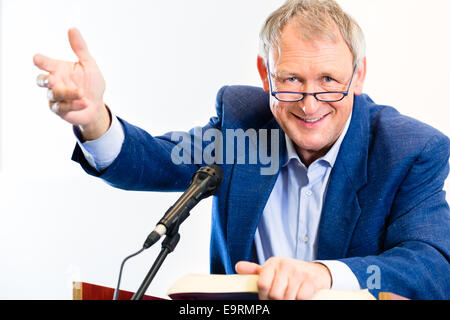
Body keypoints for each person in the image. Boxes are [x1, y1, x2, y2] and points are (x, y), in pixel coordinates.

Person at [34, 0, 449, 300]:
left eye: (328, 79)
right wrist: (93, 120)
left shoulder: (408, 149)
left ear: (358, 76)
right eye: (290, 79)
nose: (309, 103)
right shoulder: (244, 126)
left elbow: (433, 267)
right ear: (264, 73)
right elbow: (155, 160)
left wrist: (325, 276)